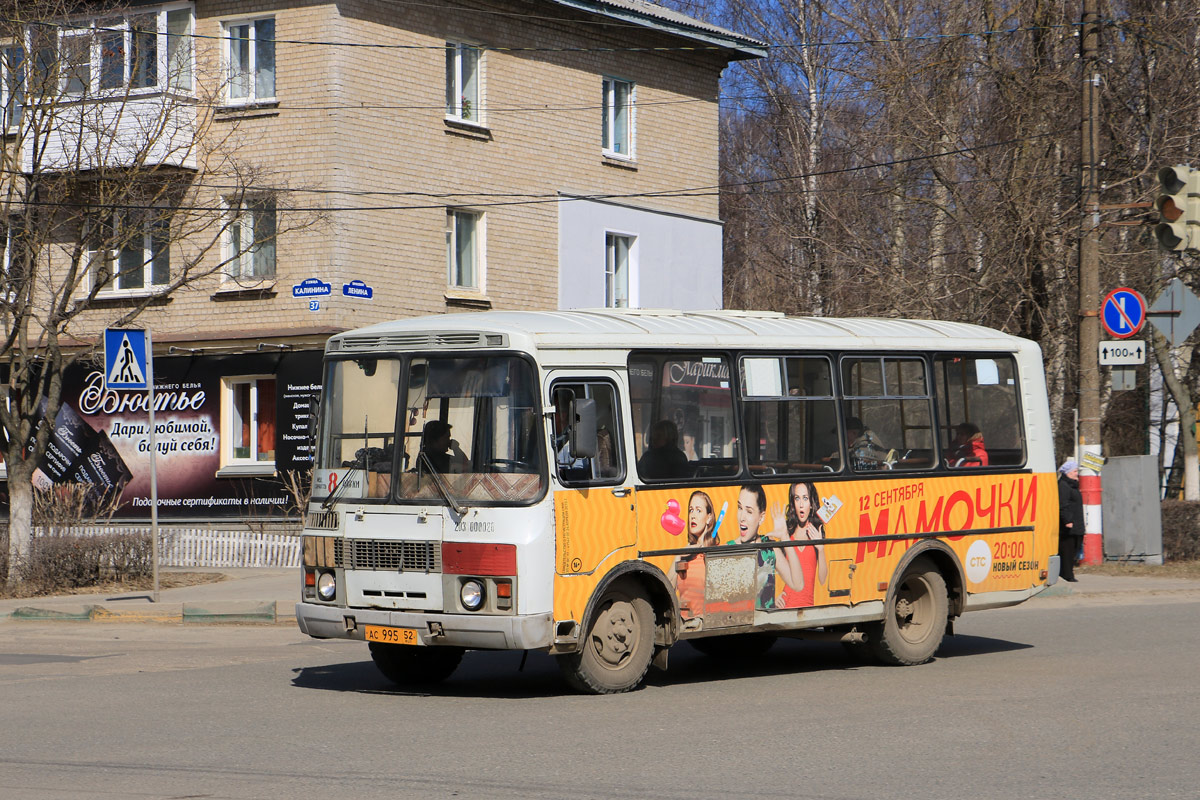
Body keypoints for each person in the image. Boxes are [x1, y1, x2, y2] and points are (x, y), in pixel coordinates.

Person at [772, 481, 829, 608]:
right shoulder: (786, 533)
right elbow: (772, 571)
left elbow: (823, 579)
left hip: (808, 607)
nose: (801, 505)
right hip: (785, 608)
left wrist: (820, 549)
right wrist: (773, 597)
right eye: (797, 498)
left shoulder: (816, 533)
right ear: (793, 503)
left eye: (805, 498)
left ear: (811, 504)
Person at [728, 484, 777, 610]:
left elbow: (797, 583)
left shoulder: (769, 548)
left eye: (749, 511)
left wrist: (785, 537)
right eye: (739, 508)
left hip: (766, 621)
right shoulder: (728, 549)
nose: (741, 518)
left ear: (761, 518)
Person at [672, 490, 718, 620]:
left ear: (709, 517)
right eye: (691, 510)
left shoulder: (715, 553)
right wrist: (678, 556)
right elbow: (668, 589)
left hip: (707, 623)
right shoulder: (684, 553)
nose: (692, 515)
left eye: (698, 510)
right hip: (685, 622)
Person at [1058, 459, 1083, 582]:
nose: (1076, 473)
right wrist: (1067, 520)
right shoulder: (1063, 485)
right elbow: (1063, 504)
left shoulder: (1072, 484)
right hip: (1069, 525)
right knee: (1067, 550)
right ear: (1067, 472)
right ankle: (1067, 574)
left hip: (1076, 523)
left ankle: (1067, 572)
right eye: (1074, 471)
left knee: (1074, 549)